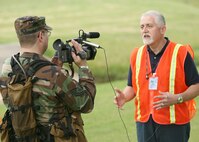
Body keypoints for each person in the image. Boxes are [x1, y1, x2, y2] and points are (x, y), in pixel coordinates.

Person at [0, 16, 96, 142]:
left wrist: (54, 67)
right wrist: (83, 67)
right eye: (47, 34)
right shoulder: (54, 75)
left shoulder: (8, 66)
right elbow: (86, 104)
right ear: (40, 35)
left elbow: (9, 101)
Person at [114, 10, 199, 142]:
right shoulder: (136, 54)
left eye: (149, 26)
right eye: (142, 27)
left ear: (162, 29)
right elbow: (132, 86)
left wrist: (178, 98)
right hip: (144, 123)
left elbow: (196, 85)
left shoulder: (181, 52)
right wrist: (124, 97)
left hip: (174, 124)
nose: (144, 30)